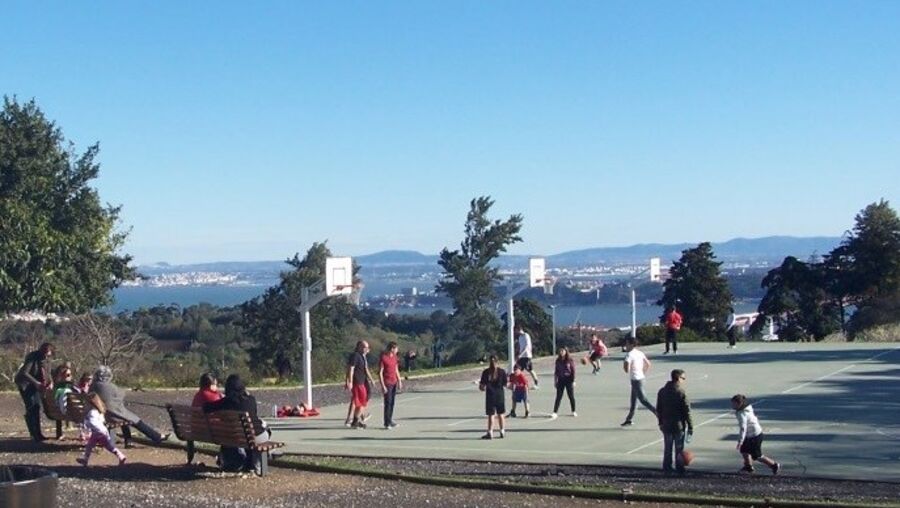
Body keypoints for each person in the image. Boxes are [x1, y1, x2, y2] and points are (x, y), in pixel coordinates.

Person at [204, 374, 270, 473]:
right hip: (255, 436)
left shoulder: (225, 402)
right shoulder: (251, 400)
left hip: (236, 438)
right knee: (266, 430)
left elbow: (206, 407)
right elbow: (255, 415)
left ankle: (250, 462)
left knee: (248, 437)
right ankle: (256, 462)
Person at [92, 366, 168, 447]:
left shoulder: (93, 386)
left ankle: (129, 441)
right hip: (111, 414)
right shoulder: (110, 387)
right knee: (135, 420)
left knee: (125, 417)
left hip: (99, 414)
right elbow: (121, 394)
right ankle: (156, 437)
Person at [731, 394, 781, 475]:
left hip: (755, 436)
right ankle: (748, 467)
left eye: (733, 403)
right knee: (744, 451)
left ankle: (774, 465)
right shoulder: (746, 409)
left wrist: (740, 441)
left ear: (738, 404)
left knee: (757, 456)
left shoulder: (742, 414)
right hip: (750, 435)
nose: (732, 405)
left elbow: (743, 428)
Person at [14, 342, 54, 442]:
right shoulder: (32, 356)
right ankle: (34, 433)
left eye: (47, 354)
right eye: (44, 353)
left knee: (37, 407)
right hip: (26, 384)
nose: (45, 356)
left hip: (37, 385)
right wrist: (36, 383)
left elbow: (48, 372)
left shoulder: (48, 359)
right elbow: (25, 373)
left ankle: (38, 433)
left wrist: (50, 382)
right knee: (32, 407)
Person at [656, 369, 694, 474]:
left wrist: (660, 422)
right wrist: (691, 426)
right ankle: (680, 468)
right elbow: (687, 411)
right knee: (679, 448)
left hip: (666, 424)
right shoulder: (681, 392)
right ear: (678, 378)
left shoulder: (662, 391)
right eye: (683, 378)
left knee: (667, 448)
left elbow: (659, 409)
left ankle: (666, 467)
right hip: (678, 425)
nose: (684, 381)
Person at [76, 392, 127, 467]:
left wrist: (87, 430)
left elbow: (93, 423)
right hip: (101, 431)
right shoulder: (99, 411)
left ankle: (120, 456)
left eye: (86, 404)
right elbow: (101, 422)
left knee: (104, 446)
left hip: (97, 432)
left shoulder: (92, 412)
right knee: (92, 445)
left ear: (91, 404)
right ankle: (85, 460)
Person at [621, 338, 657, 426]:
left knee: (643, 400)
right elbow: (648, 364)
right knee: (633, 401)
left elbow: (626, 369)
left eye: (627, 344)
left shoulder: (629, 355)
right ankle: (629, 419)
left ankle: (658, 414)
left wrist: (626, 367)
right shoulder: (640, 353)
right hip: (640, 378)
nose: (626, 346)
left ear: (631, 345)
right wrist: (642, 372)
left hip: (636, 380)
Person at [345, 341, 376, 429]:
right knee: (359, 402)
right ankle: (354, 421)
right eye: (364, 347)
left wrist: (371, 379)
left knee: (361, 402)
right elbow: (351, 369)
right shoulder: (355, 356)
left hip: (362, 381)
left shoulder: (362, 357)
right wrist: (350, 381)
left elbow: (365, 369)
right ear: (359, 347)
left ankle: (356, 420)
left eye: (367, 347)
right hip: (357, 382)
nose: (366, 349)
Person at [479, 355, 508, 439]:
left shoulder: (486, 372)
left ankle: (490, 432)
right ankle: (502, 431)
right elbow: (506, 384)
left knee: (491, 415)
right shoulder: (502, 372)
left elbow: (482, 387)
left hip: (490, 395)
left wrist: (482, 388)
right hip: (500, 395)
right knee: (501, 414)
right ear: (498, 362)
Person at [379, 342, 402, 429]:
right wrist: (383, 385)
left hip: (394, 382)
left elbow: (396, 369)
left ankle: (390, 420)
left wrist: (399, 380)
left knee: (392, 402)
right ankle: (386, 423)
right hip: (387, 382)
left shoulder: (395, 357)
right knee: (387, 402)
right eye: (396, 349)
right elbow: (380, 372)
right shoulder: (383, 358)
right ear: (392, 349)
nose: (397, 350)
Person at [551, 347, 577, 419]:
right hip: (561, 380)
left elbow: (573, 370)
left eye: (563, 350)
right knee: (558, 396)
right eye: (560, 350)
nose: (561, 352)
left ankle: (573, 411)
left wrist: (574, 381)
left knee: (571, 396)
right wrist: (555, 381)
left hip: (569, 380)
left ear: (566, 351)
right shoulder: (558, 360)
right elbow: (556, 371)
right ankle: (555, 412)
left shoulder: (570, 360)